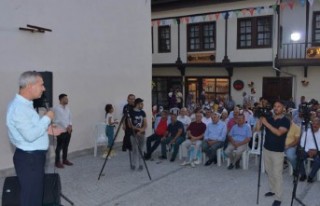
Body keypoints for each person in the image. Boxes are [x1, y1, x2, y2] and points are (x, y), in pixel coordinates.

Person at [6, 71, 55, 206]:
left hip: (32, 159)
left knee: (34, 196)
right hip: (29, 160)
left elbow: (31, 128)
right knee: (31, 199)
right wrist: (47, 118)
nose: (44, 89)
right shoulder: (19, 108)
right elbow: (30, 136)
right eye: (42, 85)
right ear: (30, 86)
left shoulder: (26, 105)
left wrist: (47, 129)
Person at [256, 100, 290, 206]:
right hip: (267, 149)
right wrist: (260, 119)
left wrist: (266, 123)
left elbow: (279, 133)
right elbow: (257, 129)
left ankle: (279, 197)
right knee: (269, 172)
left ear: (283, 108)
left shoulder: (285, 120)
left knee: (277, 174)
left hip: (277, 152)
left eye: (278, 106)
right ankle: (272, 190)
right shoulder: (269, 118)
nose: (276, 108)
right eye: (274, 106)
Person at [53, 93, 73, 168]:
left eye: (67, 98)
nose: (67, 100)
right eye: (65, 98)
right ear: (61, 99)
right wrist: (67, 127)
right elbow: (59, 120)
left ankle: (64, 160)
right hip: (61, 130)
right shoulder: (57, 108)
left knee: (66, 146)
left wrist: (70, 125)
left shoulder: (67, 108)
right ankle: (57, 162)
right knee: (59, 147)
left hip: (68, 130)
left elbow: (70, 117)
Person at [298, 117, 320, 183]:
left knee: (318, 161)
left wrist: (316, 151)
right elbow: (302, 143)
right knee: (299, 157)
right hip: (307, 150)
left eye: (317, 124)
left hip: (317, 151)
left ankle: (311, 176)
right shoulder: (306, 132)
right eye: (314, 124)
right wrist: (308, 150)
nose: (315, 125)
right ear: (311, 124)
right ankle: (303, 174)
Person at [128, 98, 147, 171]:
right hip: (133, 134)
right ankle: (134, 164)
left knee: (141, 149)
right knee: (134, 149)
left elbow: (145, 125)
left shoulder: (143, 112)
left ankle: (141, 164)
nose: (142, 105)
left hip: (142, 133)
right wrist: (137, 130)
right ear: (137, 104)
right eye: (141, 104)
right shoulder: (130, 112)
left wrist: (141, 130)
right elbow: (130, 125)